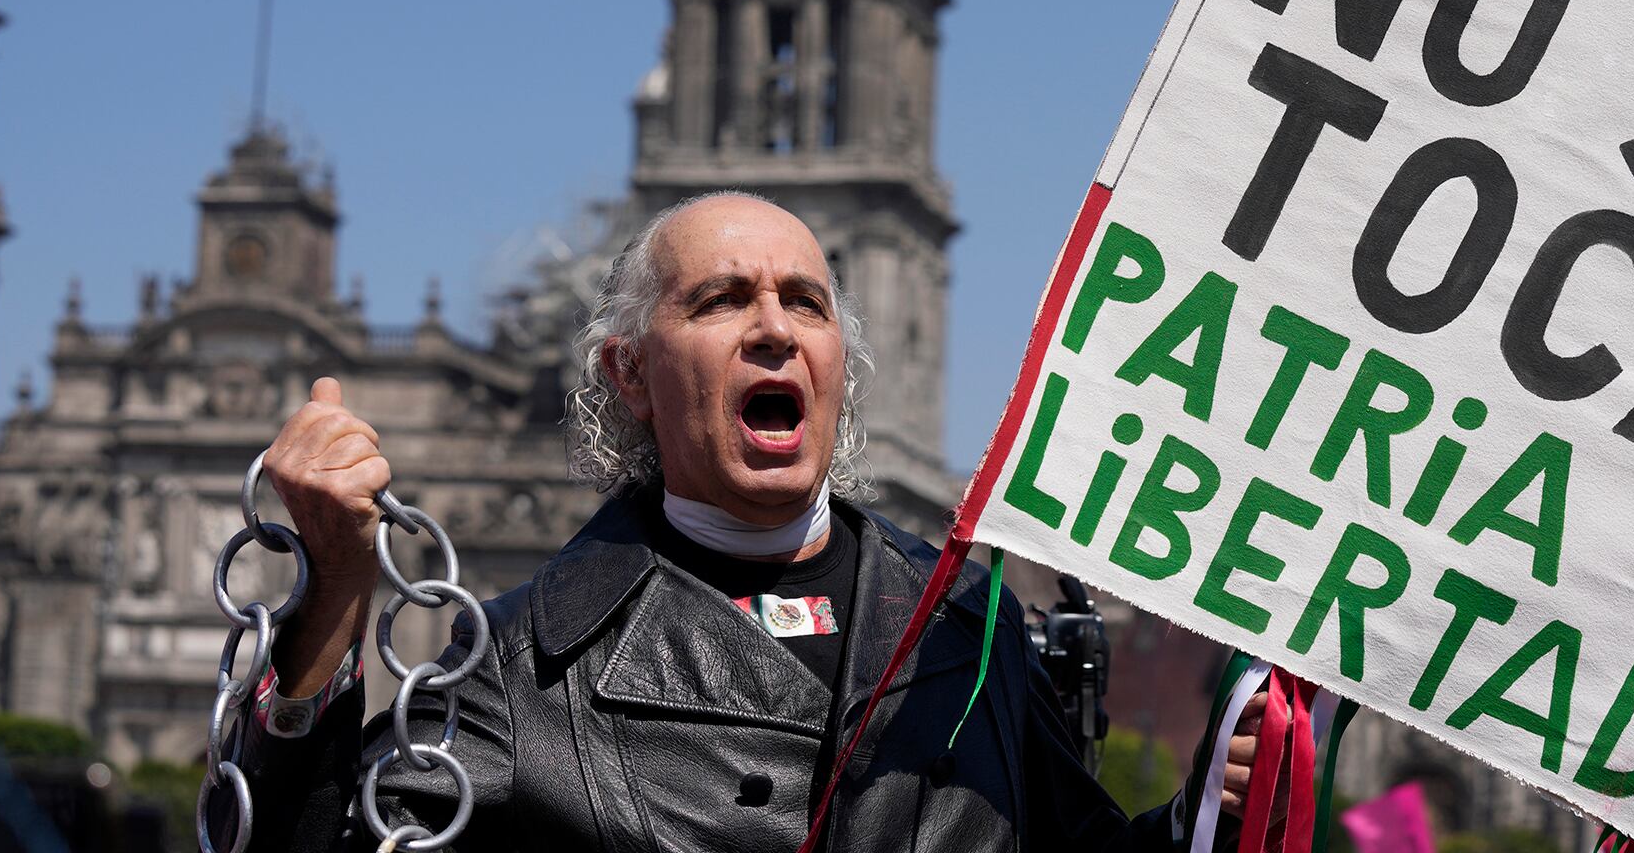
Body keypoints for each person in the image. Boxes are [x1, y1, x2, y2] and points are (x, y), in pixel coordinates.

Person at [227, 193, 1276, 850]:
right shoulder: (518, 663)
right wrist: (334, 592)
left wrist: (1212, 814)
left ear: (836, 367)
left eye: (805, 302)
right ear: (629, 371)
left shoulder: (976, 621)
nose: (775, 326)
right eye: (722, 298)